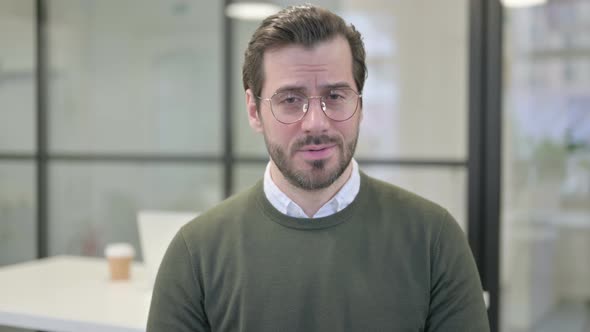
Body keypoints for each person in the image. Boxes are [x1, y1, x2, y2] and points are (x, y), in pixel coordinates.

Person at [147, 4, 490, 332]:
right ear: (254, 110)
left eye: (336, 96)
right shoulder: (196, 254)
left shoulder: (433, 240)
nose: (315, 123)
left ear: (360, 103)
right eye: (291, 100)